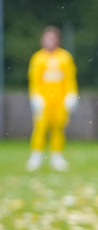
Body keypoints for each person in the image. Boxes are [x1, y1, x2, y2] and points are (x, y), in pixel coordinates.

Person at [27, 26, 78, 171]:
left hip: (59, 100)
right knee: (40, 127)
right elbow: (34, 80)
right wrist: (35, 96)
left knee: (59, 127)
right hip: (43, 99)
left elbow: (70, 79)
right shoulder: (38, 58)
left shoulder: (65, 57)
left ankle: (57, 156)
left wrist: (71, 94)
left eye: (53, 38)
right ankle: (36, 156)